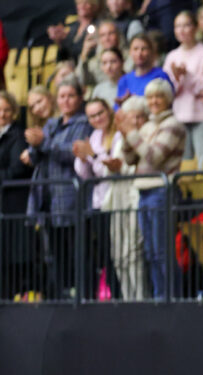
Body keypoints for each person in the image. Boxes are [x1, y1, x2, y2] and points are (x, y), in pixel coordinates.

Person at [23, 77, 92, 300]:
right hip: (46, 197)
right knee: (54, 253)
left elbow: (70, 153)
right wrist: (34, 145)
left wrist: (42, 143)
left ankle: (82, 296)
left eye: (71, 96)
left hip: (70, 196)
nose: (66, 101)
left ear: (80, 98)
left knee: (76, 252)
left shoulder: (83, 123)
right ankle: (61, 297)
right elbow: (35, 157)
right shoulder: (51, 124)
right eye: (62, 96)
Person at [119, 78, 186, 299]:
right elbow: (130, 159)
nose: (154, 101)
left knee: (162, 250)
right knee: (150, 252)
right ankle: (159, 296)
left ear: (168, 99)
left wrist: (132, 134)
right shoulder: (147, 127)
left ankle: (171, 298)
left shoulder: (174, 125)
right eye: (150, 97)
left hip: (161, 191)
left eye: (159, 96)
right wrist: (125, 134)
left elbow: (153, 157)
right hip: (144, 192)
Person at [73, 98, 124, 299]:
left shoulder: (119, 135)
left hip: (117, 201)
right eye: (92, 116)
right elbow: (85, 176)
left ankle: (122, 295)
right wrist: (82, 158)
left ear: (109, 111)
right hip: (98, 203)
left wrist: (93, 156)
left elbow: (108, 171)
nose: (97, 118)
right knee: (105, 254)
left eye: (100, 113)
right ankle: (113, 293)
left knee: (118, 253)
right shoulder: (93, 136)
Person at [165, 10, 203, 168]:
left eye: (186, 25)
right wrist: (176, 78)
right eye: (178, 26)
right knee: (183, 164)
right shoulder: (172, 56)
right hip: (179, 116)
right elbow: (168, 90)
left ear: (195, 28)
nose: (181, 30)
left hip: (202, 116)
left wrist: (187, 76)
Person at [111, 96, 149, 300]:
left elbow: (146, 163)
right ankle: (128, 298)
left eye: (139, 117)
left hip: (137, 197)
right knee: (118, 254)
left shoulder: (149, 134)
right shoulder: (119, 138)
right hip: (118, 197)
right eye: (130, 117)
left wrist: (121, 167)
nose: (135, 122)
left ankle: (140, 299)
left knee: (134, 252)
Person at [0, 92, 34, 301]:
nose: (2, 114)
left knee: (11, 258)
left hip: (12, 205)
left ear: (13, 113)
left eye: (6, 110)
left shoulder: (18, 135)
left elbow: (17, 170)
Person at [117, 34, 173, 105]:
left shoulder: (161, 75)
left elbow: (169, 101)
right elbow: (118, 108)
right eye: (135, 49)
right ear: (130, 52)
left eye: (144, 49)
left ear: (151, 51)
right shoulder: (124, 80)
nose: (139, 53)